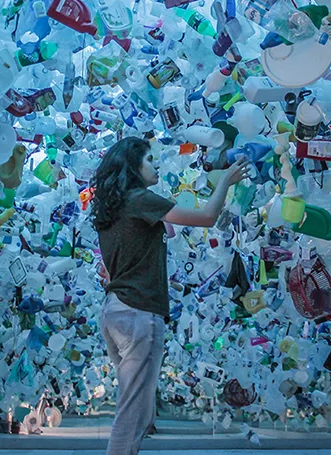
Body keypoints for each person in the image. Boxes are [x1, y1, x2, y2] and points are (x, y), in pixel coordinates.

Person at [90, 136, 251, 455]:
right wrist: (226, 182)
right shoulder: (140, 198)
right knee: (131, 412)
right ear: (132, 167)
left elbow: (168, 230)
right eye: (150, 159)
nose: (157, 164)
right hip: (138, 311)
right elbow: (205, 217)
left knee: (137, 405)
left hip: (114, 312)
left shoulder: (112, 208)